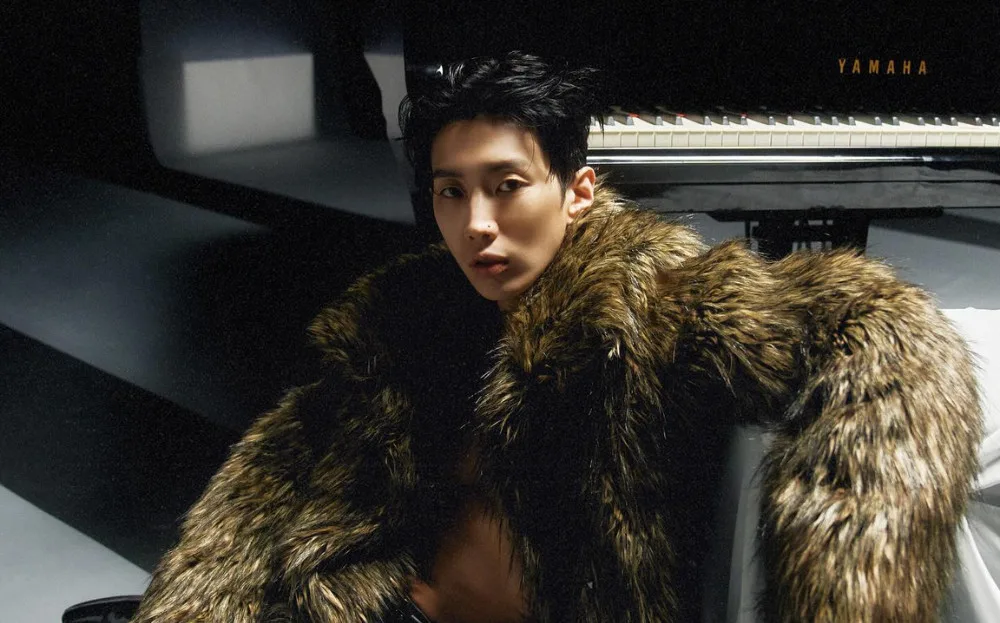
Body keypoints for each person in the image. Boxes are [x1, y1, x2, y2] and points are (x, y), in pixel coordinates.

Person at [130, 51, 982, 622]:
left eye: (506, 185)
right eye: (451, 192)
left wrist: (849, 573)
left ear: (577, 191)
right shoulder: (400, 324)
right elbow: (262, 503)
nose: (477, 223)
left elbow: (882, 329)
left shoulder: (653, 306)